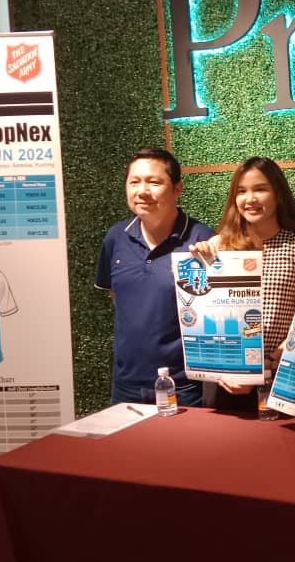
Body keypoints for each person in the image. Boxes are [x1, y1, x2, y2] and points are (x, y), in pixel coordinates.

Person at [190, 156, 295, 410]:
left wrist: (267, 364)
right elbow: (200, 313)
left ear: (278, 194)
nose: (250, 199)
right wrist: (196, 265)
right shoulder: (218, 245)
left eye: (260, 189)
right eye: (241, 191)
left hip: (280, 376)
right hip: (224, 377)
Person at [95, 148, 214, 406]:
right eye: (134, 182)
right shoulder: (115, 238)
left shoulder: (201, 239)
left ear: (177, 189)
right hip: (126, 385)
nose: (142, 191)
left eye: (154, 182)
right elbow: (118, 297)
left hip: (184, 386)